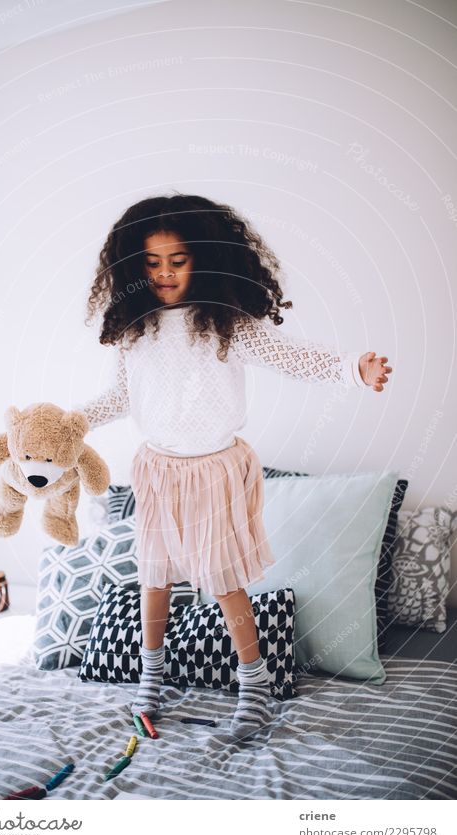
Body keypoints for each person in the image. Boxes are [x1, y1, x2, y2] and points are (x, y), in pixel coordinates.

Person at [74, 193, 392, 739]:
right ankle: (151, 680)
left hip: (214, 471)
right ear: (132, 266)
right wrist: (65, 425)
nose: (166, 274)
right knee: (153, 578)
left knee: (225, 584)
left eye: (178, 261)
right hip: (157, 470)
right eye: (152, 263)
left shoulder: (226, 324)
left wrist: (351, 368)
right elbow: (118, 398)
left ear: (205, 259)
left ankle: (255, 685)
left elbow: (291, 357)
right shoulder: (134, 331)